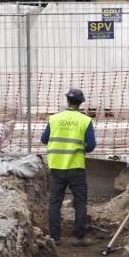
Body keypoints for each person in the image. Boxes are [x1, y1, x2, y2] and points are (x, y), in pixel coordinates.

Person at [41, 88, 97, 246]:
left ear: (67, 101)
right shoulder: (85, 120)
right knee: (80, 201)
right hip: (75, 166)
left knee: (55, 201)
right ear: (81, 103)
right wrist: (79, 149)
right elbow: (91, 145)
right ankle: (78, 237)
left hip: (56, 165)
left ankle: (55, 237)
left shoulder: (54, 118)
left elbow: (44, 139)